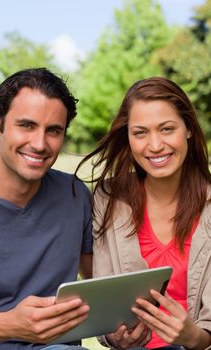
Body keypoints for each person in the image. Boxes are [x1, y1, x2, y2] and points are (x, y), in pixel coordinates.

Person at [76, 77, 211, 349]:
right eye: (140, 133)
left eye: (167, 129)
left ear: (187, 129)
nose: (155, 145)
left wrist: (192, 337)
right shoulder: (108, 199)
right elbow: (105, 299)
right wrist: (115, 337)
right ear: (128, 137)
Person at [0, 68, 93, 350]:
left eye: (53, 131)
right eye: (26, 126)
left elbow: (101, 283)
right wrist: (8, 325)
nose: (40, 144)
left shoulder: (75, 194)